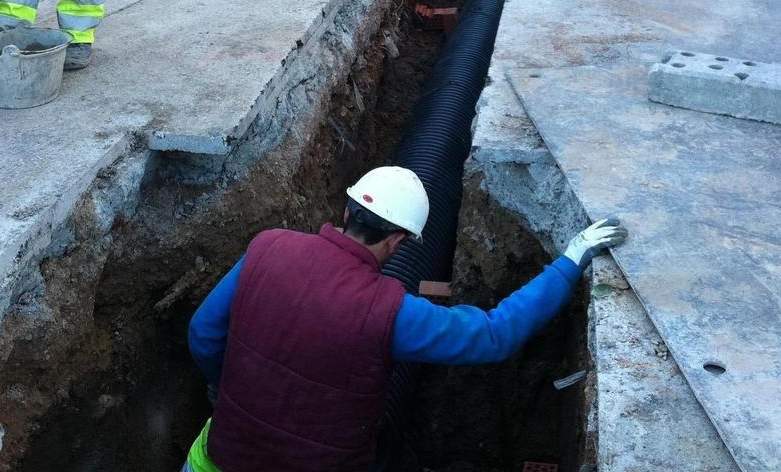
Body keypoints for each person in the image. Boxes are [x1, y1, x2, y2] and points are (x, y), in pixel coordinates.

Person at [181, 165, 628, 472]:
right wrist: (571, 259)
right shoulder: (391, 311)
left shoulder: (268, 246)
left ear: (345, 211)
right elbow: (494, 335)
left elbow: (203, 333)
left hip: (216, 459)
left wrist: (233, 388)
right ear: (397, 242)